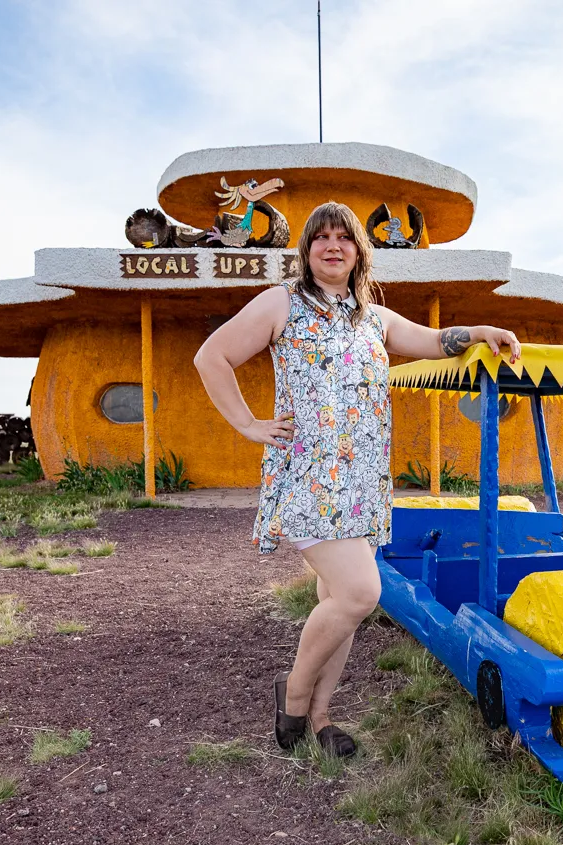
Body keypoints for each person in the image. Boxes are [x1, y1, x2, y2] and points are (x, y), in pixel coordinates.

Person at [193, 202, 520, 758]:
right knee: (360, 592)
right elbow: (212, 357)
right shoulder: (282, 303)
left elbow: (437, 340)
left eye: (344, 237)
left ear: (359, 253)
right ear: (306, 251)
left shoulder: (375, 319)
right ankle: (293, 695)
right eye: (321, 237)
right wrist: (247, 424)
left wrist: (481, 330)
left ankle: (320, 718)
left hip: (364, 481)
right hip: (310, 478)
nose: (333, 245)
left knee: (335, 596)